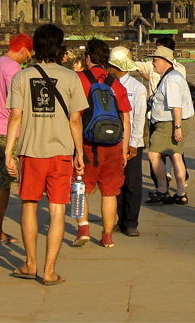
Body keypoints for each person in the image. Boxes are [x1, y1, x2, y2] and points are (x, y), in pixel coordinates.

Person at [4, 24, 86, 285]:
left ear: (35, 48)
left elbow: (15, 116)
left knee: (29, 205)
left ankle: (30, 263)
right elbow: (75, 120)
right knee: (57, 211)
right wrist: (80, 153)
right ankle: (49, 270)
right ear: (60, 47)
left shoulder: (21, 77)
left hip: (31, 151)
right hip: (61, 152)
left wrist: (9, 152)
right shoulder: (71, 77)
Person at [72, 38, 131, 249]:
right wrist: (124, 150)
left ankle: (83, 229)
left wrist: (77, 150)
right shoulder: (116, 84)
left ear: (88, 57)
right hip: (114, 144)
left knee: (80, 188)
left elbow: (75, 118)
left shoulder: (78, 79)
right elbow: (125, 119)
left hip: (88, 144)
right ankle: (107, 236)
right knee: (110, 192)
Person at [0, 33, 33, 243]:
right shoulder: (12, 68)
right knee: (4, 181)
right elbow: (16, 100)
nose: (26, 60)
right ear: (22, 50)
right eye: (27, 56)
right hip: (4, 128)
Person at [106, 46, 148, 237]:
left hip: (131, 141)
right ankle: (120, 219)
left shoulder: (136, 87)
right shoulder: (107, 85)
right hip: (112, 140)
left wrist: (133, 143)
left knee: (132, 183)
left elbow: (139, 118)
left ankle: (131, 221)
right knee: (116, 183)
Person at [146, 46, 194, 205]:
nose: (153, 64)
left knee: (154, 154)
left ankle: (162, 189)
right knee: (175, 155)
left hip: (169, 122)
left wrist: (177, 127)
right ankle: (181, 192)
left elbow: (176, 106)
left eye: (155, 60)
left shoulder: (171, 79)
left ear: (164, 61)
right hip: (172, 121)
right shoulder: (173, 76)